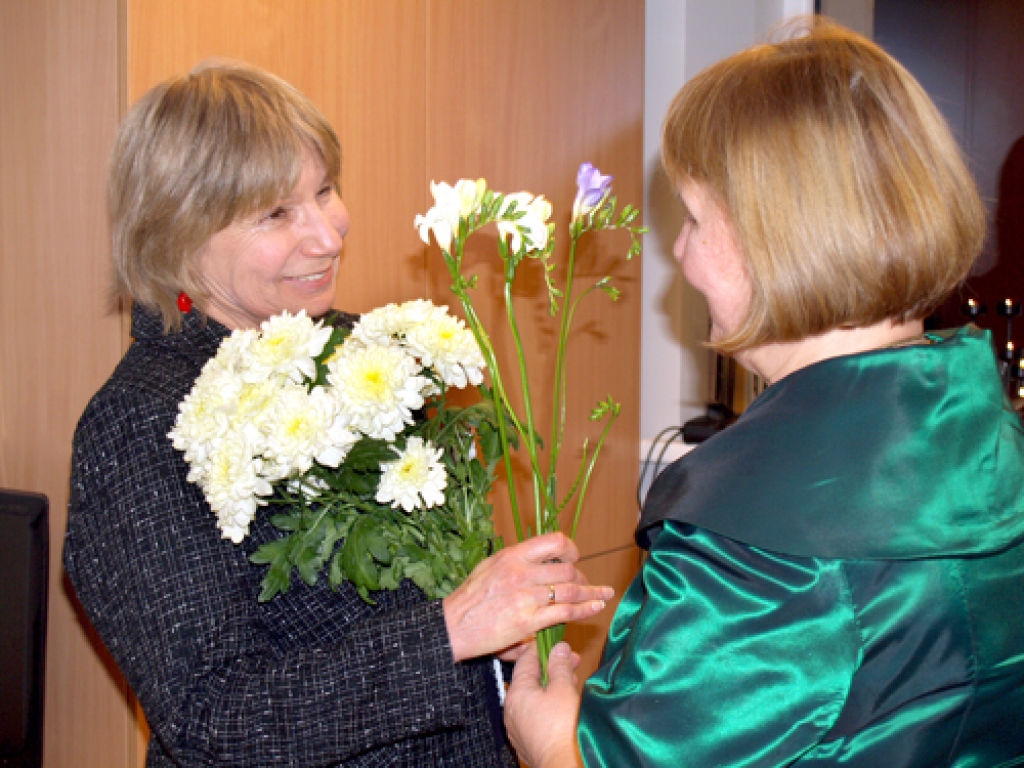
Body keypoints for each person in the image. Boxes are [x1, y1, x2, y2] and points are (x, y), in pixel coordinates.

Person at [505, 18, 1024, 767]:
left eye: (692, 219)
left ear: (777, 235)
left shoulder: (761, 548)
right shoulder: (993, 444)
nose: (679, 254)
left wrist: (548, 739)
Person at [63, 61, 612, 768]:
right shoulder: (139, 426)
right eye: (276, 214)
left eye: (324, 190)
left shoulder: (365, 352)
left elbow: (411, 608)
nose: (328, 235)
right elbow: (211, 718)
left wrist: (507, 654)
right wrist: (450, 630)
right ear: (177, 238)